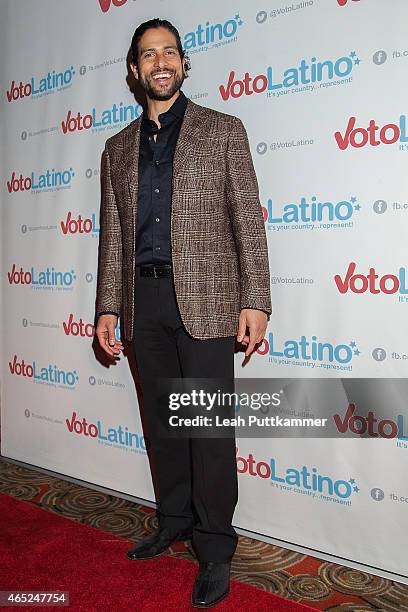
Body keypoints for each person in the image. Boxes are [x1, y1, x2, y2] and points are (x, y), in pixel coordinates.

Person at [95, 17, 272, 608]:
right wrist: (106, 309)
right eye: (148, 55)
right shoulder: (116, 148)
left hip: (209, 300)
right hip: (142, 302)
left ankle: (216, 547)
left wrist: (256, 299)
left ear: (184, 63)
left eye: (169, 51)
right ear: (134, 70)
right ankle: (173, 520)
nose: (160, 62)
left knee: (209, 433)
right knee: (164, 424)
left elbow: (248, 218)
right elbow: (114, 236)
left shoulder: (223, 129)